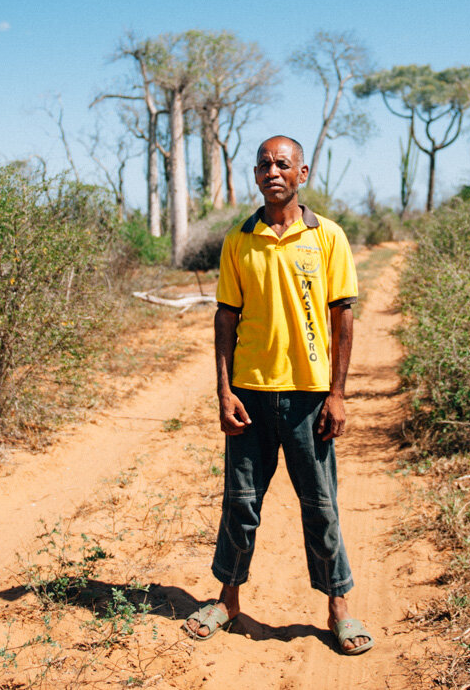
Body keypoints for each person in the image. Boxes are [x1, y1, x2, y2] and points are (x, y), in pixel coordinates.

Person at [182, 135, 374, 655]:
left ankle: (339, 608)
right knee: (241, 503)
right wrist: (223, 390)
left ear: (302, 174)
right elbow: (226, 316)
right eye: (264, 164)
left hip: (309, 397)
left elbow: (343, 317)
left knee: (321, 505)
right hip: (250, 395)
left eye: (283, 164)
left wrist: (337, 393)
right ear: (255, 173)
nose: (273, 171)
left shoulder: (328, 237)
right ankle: (227, 600)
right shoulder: (240, 240)